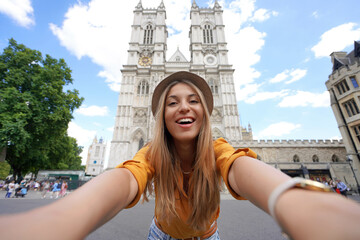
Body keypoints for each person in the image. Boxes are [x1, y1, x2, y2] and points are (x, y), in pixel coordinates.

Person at [0, 71, 360, 240]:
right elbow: (126, 177)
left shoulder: (218, 148)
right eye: (172, 102)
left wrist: (296, 201)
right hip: (161, 235)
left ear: (205, 111)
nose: (183, 108)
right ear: (161, 116)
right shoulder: (153, 152)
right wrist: (63, 217)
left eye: (193, 101)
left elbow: (243, 168)